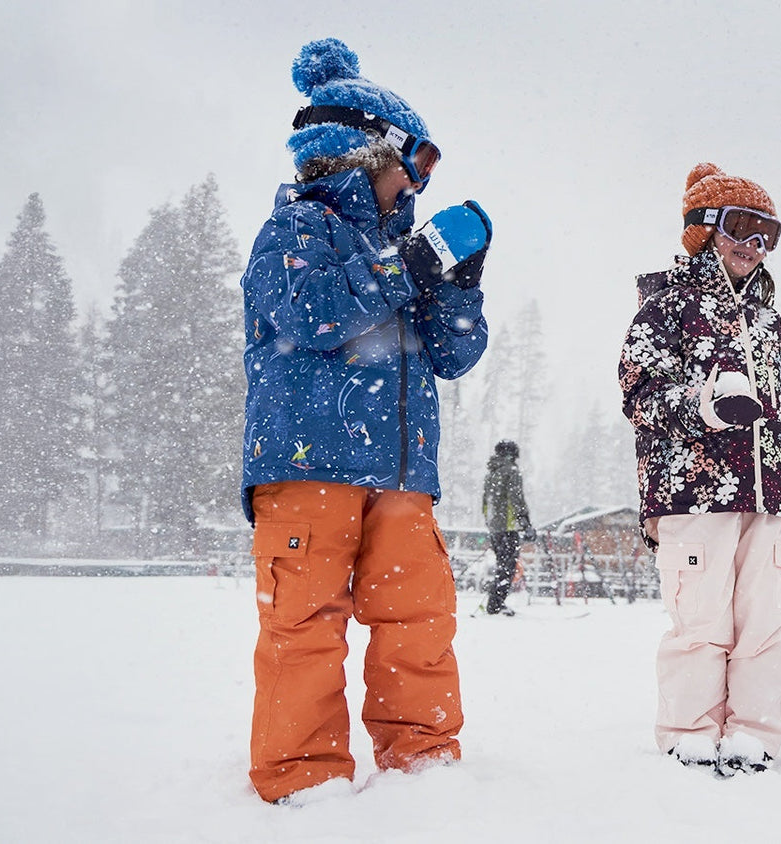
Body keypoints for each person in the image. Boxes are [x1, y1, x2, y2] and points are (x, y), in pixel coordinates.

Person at [240, 39, 492, 805]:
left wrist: (456, 283)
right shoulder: (295, 231)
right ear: (361, 152)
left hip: (404, 472)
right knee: (306, 620)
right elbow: (312, 313)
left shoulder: (397, 248)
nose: (416, 181)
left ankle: (423, 764)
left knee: (418, 615)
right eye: (412, 163)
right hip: (309, 463)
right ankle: (301, 777)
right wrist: (408, 265)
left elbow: (455, 354)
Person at [618, 163, 781, 776]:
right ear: (704, 228)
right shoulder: (669, 306)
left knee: (764, 622)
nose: (754, 244)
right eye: (742, 226)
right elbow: (639, 393)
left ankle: (753, 735)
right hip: (692, 493)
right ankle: (690, 732)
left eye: (769, 233)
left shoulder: (769, 322)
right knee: (701, 620)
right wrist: (701, 408)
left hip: (765, 496)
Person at [482, 439, 534, 616]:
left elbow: (485, 503)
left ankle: (494, 603)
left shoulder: (491, 474)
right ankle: (495, 605)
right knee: (508, 567)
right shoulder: (511, 471)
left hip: (495, 528)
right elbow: (516, 498)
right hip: (508, 527)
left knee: (502, 565)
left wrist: (491, 524)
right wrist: (525, 522)